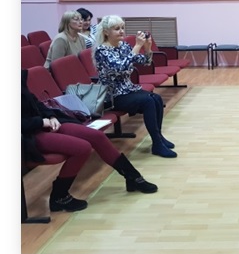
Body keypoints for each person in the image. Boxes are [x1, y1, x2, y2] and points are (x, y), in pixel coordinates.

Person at [21, 70, 158, 213]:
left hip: (44, 124)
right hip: (28, 135)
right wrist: (41, 122)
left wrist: (51, 116)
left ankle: (133, 177)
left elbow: (35, 102)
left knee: (97, 137)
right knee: (82, 148)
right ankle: (59, 196)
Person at [93, 15, 177, 158]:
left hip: (128, 90)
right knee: (148, 101)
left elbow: (145, 62)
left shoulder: (123, 45)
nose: (121, 31)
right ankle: (157, 144)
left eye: (122, 28)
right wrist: (137, 46)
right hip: (113, 96)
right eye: (116, 29)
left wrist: (147, 47)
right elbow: (121, 68)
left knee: (156, 98)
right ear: (106, 32)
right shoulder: (102, 51)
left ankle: (159, 138)